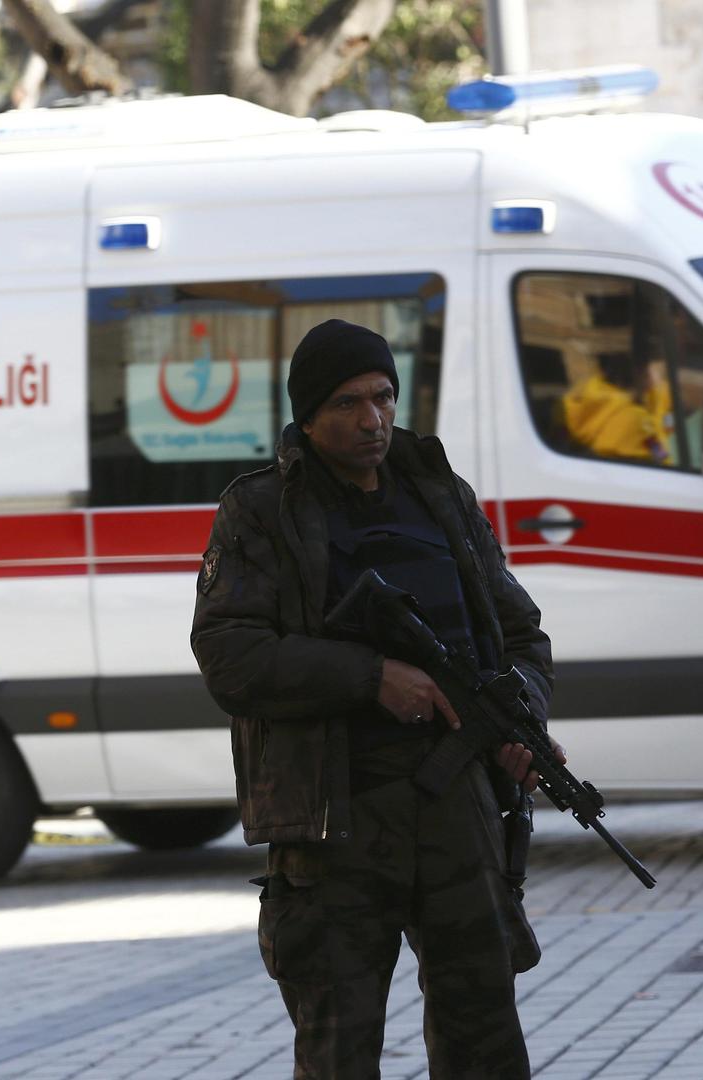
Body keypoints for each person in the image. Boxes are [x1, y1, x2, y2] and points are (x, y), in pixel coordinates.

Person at [191, 318, 556, 1079]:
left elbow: (520, 633)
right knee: (340, 1047)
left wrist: (520, 716)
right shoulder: (263, 511)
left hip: (456, 806)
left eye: (384, 397)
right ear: (307, 415)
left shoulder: (440, 496)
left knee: (484, 1031)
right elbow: (231, 657)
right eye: (348, 403)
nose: (373, 420)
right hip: (336, 816)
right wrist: (370, 677)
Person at [561, 351, 675, 463]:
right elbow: (660, 456)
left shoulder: (592, 396)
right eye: (654, 368)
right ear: (643, 373)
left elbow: (667, 419)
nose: (659, 374)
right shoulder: (639, 421)